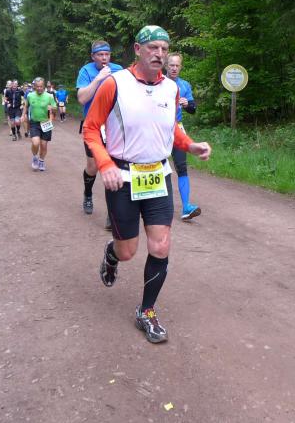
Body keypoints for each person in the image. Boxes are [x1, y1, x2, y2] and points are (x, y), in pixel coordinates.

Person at [83, 25, 211, 344]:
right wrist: (105, 164)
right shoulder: (115, 84)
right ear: (137, 50)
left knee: (161, 245)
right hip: (122, 177)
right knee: (128, 251)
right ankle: (112, 254)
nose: (159, 54)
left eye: (164, 49)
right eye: (153, 48)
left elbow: (170, 128)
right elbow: (91, 128)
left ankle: (147, 311)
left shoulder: (171, 88)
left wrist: (190, 145)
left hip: (157, 175)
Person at [76, 40, 123, 216]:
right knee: (93, 166)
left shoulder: (119, 70)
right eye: (100, 55)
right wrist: (99, 78)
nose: (104, 58)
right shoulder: (86, 71)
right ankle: (88, 194)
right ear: (93, 56)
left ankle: (113, 212)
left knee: (114, 164)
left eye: (107, 54)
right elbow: (82, 98)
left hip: (114, 126)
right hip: (93, 126)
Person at [165, 53, 201, 220]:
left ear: (181, 67)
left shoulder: (185, 85)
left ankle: (186, 207)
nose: (174, 68)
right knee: (157, 165)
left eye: (177, 65)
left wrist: (187, 104)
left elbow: (193, 109)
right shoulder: (158, 82)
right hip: (158, 129)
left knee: (181, 166)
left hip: (177, 129)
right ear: (166, 66)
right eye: (171, 65)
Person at [24, 77, 57, 171]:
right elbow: (26, 106)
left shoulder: (49, 96)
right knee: (35, 143)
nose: (39, 88)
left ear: (44, 86)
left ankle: (41, 161)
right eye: (37, 86)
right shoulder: (30, 95)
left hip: (46, 123)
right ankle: (35, 158)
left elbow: (55, 109)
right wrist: (23, 115)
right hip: (34, 122)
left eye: (41, 86)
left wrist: (52, 108)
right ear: (34, 86)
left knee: (43, 145)